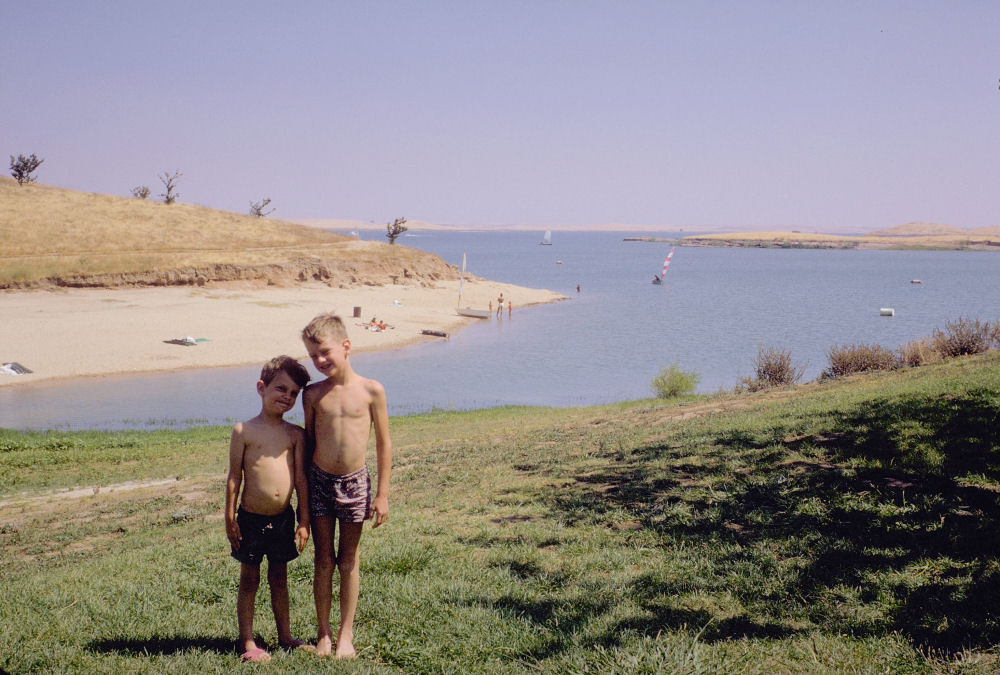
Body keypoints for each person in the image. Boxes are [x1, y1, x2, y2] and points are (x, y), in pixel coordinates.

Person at [301, 313, 392, 658]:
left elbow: (384, 443)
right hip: (320, 481)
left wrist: (381, 494)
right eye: (313, 356)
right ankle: (323, 634)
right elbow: (308, 444)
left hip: (356, 484)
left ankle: (345, 635)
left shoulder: (371, 390)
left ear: (346, 346)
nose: (320, 360)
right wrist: (304, 495)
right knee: (323, 560)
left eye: (325, 352)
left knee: (348, 560)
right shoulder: (312, 395)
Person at [225, 355, 313, 663]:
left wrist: (304, 520)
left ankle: (285, 636)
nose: (287, 397)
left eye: (294, 393)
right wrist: (229, 516)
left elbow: (301, 479)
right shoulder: (243, 431)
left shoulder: (295, 434)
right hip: (249, 519)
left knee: (280, 577)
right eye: (281, 389)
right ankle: (247, 640)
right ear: (261, 388)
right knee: (249, 579)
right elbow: (235, 476)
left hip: (283, 519)